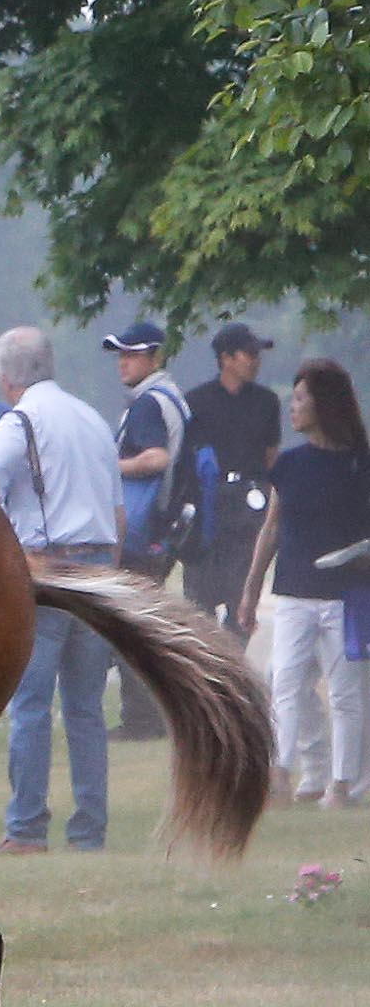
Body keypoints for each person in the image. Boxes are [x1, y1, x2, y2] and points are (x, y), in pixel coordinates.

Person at [0, 326, 124, 853]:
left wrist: (0, 553)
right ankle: (89, 832)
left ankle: (26, 828)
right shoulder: (92, 419)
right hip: (100, 569)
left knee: (32, 705)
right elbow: (118, 512)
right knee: (85, 709)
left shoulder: (23, 419)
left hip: (47, 567)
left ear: (5, 377)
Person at [236, 359, 370, 806]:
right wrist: (251, 589)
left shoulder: (360, 463)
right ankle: (280, 774)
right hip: (294, 591)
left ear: (325, 404)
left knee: (347, 690)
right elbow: (271, 528)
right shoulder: (290, 465)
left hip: (347, 594)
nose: (292, 408)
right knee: (285, 683)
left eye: (300, 399)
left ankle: (342, 783)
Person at [102, 320, 191, 737]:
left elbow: (154, 458)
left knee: (132, 627)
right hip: (163, 526)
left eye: (134, 354)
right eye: (121, 354)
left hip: (141, 529)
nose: (124, 362)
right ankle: (152, 715)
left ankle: (142, 719)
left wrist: (109, 466)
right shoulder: (172, 398)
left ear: (156, 358)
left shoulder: (148, 404)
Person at [182, 323, 284, 632]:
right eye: (249, 354)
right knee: (200, 595)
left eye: (257, 355)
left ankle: (236, 653)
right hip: (209, 503)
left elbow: (271, 455)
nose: (255, 361)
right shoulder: (196, 401)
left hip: (249, 500)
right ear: (226, 358)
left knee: (241, 586)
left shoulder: (267, 402)